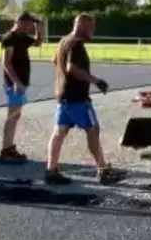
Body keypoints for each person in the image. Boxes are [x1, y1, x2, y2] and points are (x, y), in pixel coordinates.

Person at [44, 13, 127, 185]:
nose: (93, 30)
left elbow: (55, 62)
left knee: (59, 133)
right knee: (93, 129)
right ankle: (103, 170)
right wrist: (96, 81)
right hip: (77, 99)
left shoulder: (64, 41)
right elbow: (72, 68)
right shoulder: (76, 44)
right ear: (82, 26)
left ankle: (51, 170)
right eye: (91, 27)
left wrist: (62, 82)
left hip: (63, 97)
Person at [0, 11, 45, 163]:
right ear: (21, 23)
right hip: (14, 83)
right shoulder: (9, 38)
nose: (31, 28)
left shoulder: (22, 37)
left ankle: (10, 147)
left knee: (15, 115)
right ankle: (6, 150)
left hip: (20, 83)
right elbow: (6, 63)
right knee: (12, 116)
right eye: (30, 25)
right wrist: (16, 82)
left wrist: (40, 30)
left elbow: (38, 43)